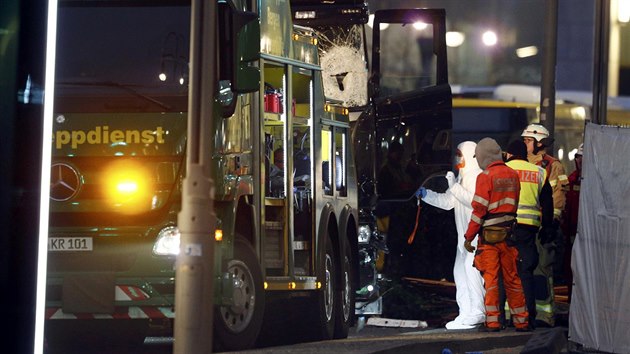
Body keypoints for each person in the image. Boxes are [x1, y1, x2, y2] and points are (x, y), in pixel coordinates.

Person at [416, 141, 485, 330]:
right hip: (462, 238)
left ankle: (478, 312)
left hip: (475, 236)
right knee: (460, 274)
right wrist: (427, 195)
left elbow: (474, 202)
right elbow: (448, 202)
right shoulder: (461, 179)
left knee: (472, 273)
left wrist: (454, 186)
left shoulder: (478, 177)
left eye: (460, 154)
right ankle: (466, 313)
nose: (457, 159)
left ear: (470, 155)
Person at [462, 137, 529, 332]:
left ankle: (492, 322)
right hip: (510, 236)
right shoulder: (512, 174)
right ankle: (521, 322)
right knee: (513, 279)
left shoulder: (486, 176)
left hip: (490, 239)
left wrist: (468, 237)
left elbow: (479, 211)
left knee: (491, 281)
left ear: (483, 156)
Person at [499, 140, 554, 329]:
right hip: (529, 229)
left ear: (510, 154)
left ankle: (502, 318)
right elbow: (548, 203)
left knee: (504, 271)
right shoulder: (539, 172)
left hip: (505, 227)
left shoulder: (503, 169)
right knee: (526, 273)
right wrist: (547, 228)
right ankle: (528, 318)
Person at [521, 123, 569, 327]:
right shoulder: (519, 162)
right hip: (523, 225)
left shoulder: (553, 166)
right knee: (521, 270)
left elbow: (559, 196)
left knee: (542, 270)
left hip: (543, 228)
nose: (524, 143)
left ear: (540, 143)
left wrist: (551, 224)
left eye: (528, 140)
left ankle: (544, 315)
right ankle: (520, 313)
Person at [376, 141, 417, 277]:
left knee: (398, 242)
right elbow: (385, 190)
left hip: (400, 210)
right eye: (397, 152)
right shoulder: (386, 170)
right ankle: (390, 269)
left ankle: (397, 268)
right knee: (391, 242)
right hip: (392, 211)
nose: (399, 155)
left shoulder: (398, 169)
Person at [561, 143, 583, 302]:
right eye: (578, 157)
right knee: (571, 270)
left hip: (588, 234)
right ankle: (571, 302)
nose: (580, 161)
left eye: (582, 157)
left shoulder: (595, 182)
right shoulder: (572, 179)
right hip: (571, 232)